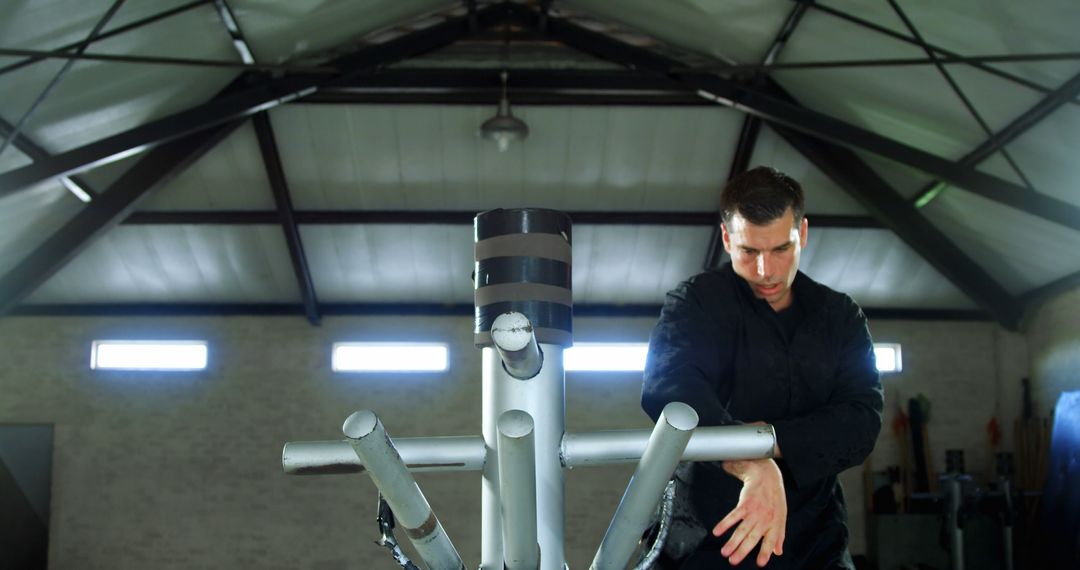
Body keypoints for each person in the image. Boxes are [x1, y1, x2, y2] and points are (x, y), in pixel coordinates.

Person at [641, 166, 884, 569]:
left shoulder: (840, 316)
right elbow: (671, 391)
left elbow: (861, 421)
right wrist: (751, 463)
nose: (765, 271)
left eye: (781, 249)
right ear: (726, 239)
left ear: (802, 233)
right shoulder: (695, 304)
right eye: (748, 251)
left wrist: (766, 447)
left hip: (815, 539)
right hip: (707, 532)